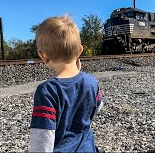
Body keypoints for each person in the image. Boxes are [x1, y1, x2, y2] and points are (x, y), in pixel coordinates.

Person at [29, 15, 103, 152]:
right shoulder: (91, 81)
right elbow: (98, 107)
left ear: (43, 56)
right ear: (80, 51)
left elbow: (42, 138)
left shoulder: (47, 91)